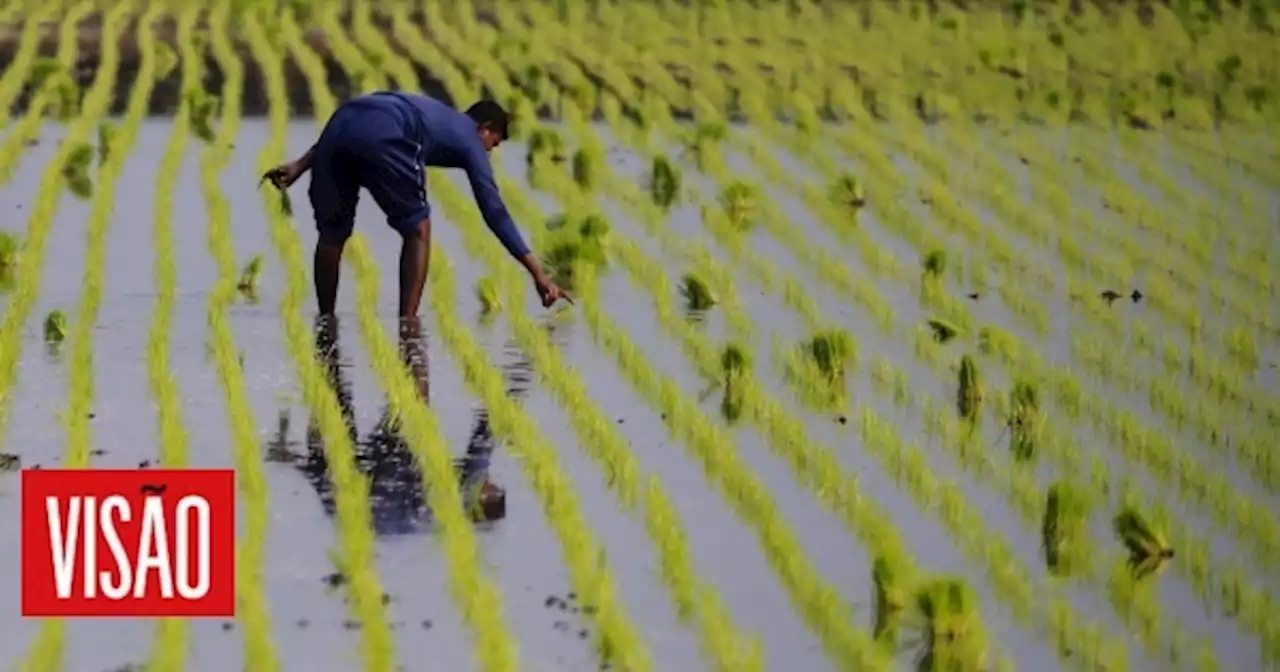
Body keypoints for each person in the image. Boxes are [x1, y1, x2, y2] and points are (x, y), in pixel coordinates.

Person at [262, 93, 570, 317]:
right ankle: (408, 326)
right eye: (495, 142)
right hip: (383, 131)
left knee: (331, 235)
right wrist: (538, 274)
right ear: (485, 128)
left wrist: (301, 165)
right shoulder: (468, 137)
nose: (489, 152)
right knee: (418, 229)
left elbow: (358, 126)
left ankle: (325, 320)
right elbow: (493, 210)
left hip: (341, 122)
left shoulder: (433, 112)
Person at [295, 315, 506, 534]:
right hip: (360, 495)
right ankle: (342, 347)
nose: (487, 480)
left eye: (489, 486)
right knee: (337, 403)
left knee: (408, 396)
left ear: (484, 501)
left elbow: (484, 440)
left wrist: (505, 397)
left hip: (377, 481)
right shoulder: (439, 517)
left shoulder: (463, 498)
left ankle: (401, 333)